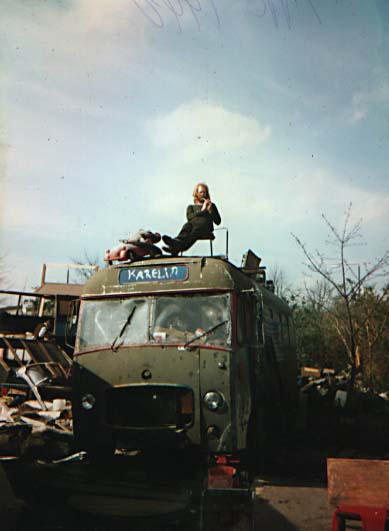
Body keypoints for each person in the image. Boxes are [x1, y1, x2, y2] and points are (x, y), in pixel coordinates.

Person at [162, 183, 221, 255]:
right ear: (197, 193)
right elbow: (189, 218)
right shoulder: (191, 207)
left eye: (204, 192)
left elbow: (218, 221)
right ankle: (176, 242)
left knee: (195, 230)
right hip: (193, 226)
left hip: (205, 228)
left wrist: (211, 211)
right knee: (187, 226)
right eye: (201, 192)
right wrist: (202, 210)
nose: (203, 194)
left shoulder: (212, 206)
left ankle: (177, 247)